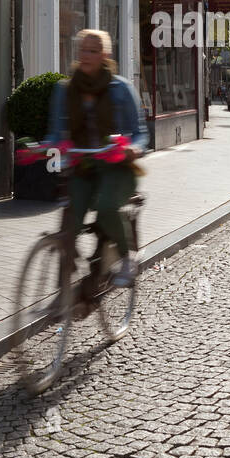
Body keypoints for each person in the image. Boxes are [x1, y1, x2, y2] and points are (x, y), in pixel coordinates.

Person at [44, 29, 149, 287]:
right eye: (83, 50)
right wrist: (40, 148)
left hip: (117, 168)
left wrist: (132, 148)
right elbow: (57, 132)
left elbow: (140, 134)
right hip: (84, 166)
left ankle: (127, 257)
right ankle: (75, 275)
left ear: (104, 55)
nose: (87, 55)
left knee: (106, 206)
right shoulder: (65, 90)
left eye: (93, 50)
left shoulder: (120, 89)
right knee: (72, 214)